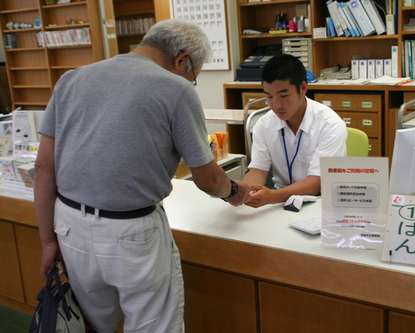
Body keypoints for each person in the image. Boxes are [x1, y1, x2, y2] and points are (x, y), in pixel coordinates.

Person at [34, 19, 252, 333]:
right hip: (133, 232)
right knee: (154, 326)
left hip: (70, 226)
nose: (190, 83)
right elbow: (207, 179)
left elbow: (43, 168)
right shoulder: (175, 89)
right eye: (194, 76)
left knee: (93, 325)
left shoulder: (72, 78)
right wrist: (234, 191)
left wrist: (46, 241)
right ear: (182, 60)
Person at [242, 54, 347, 208]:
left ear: (303, 88)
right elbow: (258, 170)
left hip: (321, 203)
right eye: (269, 97)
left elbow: (316, 183)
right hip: (280, 202)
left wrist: (273, 197)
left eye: (284, 96)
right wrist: (244, 192)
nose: (276, 105)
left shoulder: (330, 124)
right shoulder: (264, 124)